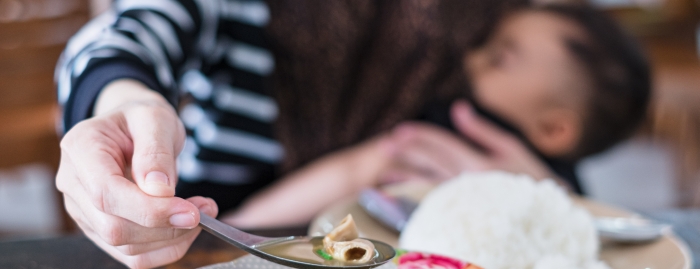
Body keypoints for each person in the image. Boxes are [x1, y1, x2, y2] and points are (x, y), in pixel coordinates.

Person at [55, 1, 648, 269]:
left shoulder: (497, 29)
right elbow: (126, 35)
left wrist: (541, 190)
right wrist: (123, 101)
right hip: (199, 250)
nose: (477, 62)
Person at [224, 3, 651, 228]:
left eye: (500, 57)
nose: (472, 57)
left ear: (554, 128)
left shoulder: (459, 122)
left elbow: (356, 169)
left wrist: (240, 226)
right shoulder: (563, 189)